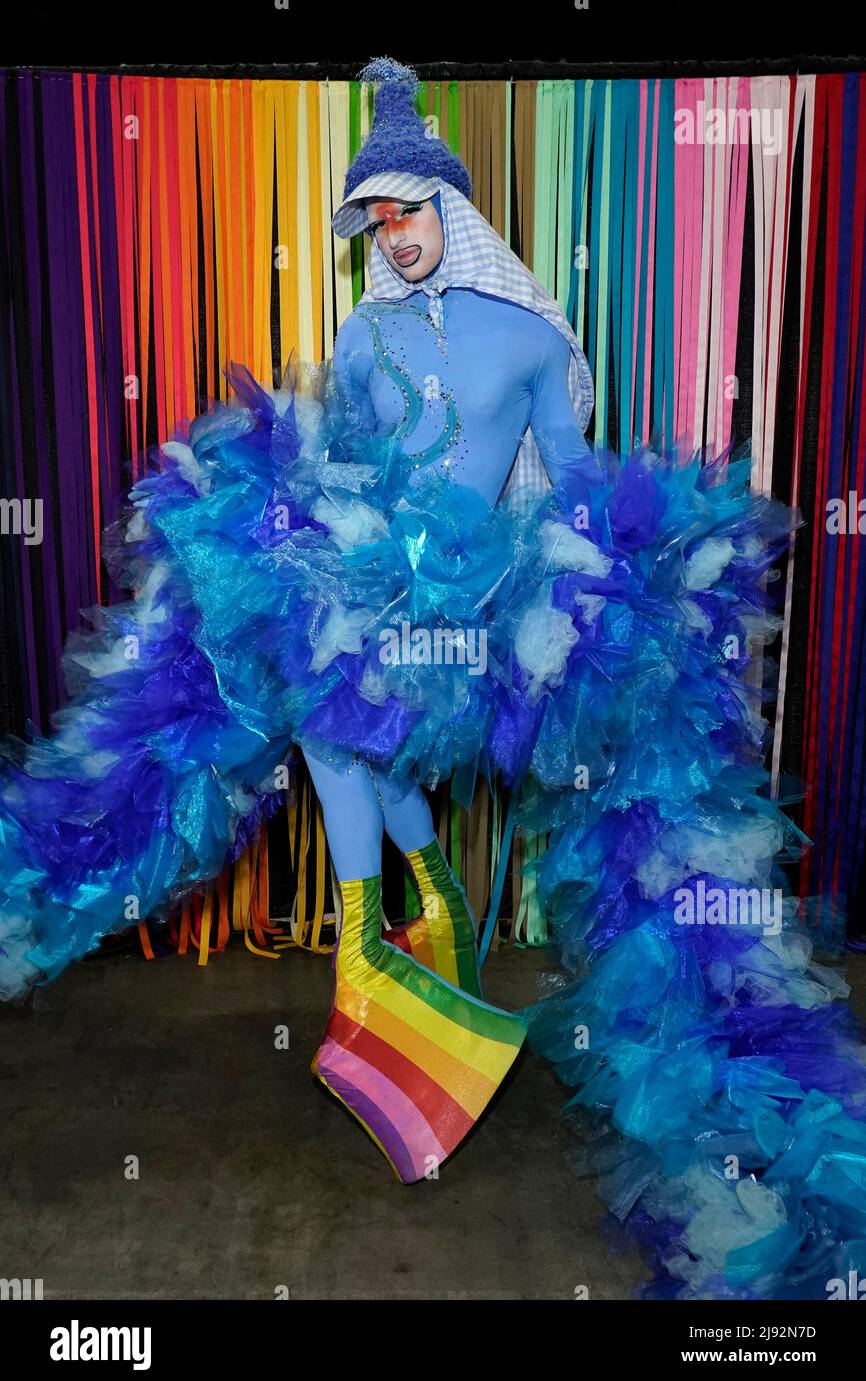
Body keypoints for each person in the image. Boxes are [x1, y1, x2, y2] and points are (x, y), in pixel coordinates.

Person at [2, 55, 866, 1297]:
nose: (391, 235)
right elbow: (352, 464)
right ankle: (408, 921)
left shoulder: (523, 335)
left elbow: (569, 481)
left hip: (485, 619)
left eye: (406, 211)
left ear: (448, 211)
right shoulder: (362, 332)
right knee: (314, 697)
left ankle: (393, 943)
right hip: (378, 600)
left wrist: (601, 587)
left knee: (393, 732)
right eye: (374, 218)